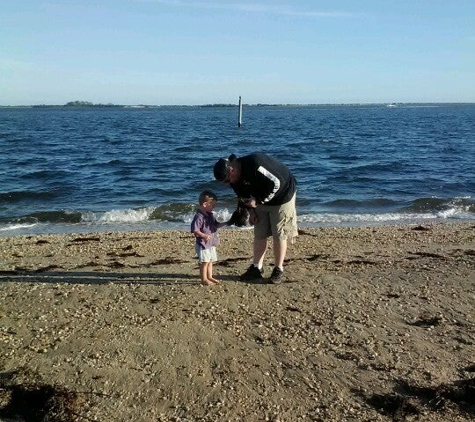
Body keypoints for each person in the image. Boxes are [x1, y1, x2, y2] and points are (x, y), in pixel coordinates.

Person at [213, 153, 297, 284]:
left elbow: (276, 183)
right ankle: (256, 268)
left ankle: (278, 269)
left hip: (282, 195)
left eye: (228, 180)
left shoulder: (255, 164)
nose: (229, 184)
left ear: (232, 170)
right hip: (259, 198)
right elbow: (242, 194)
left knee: (279, 234)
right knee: (259, 232)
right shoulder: (233, 180)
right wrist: (251, 211)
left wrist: (258, 201)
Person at [191, 190, 227, 286]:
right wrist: (204, 235)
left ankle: (209, 276)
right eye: (212, 205)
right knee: (204, 262)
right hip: (203, 244)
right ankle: (204, 279)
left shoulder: (210, 215)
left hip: (210, 243)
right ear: (205, 204)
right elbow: (195, 230)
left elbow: (216, 225)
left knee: (210, 261)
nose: (214, 207)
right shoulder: (199, 216)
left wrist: (226, 223)